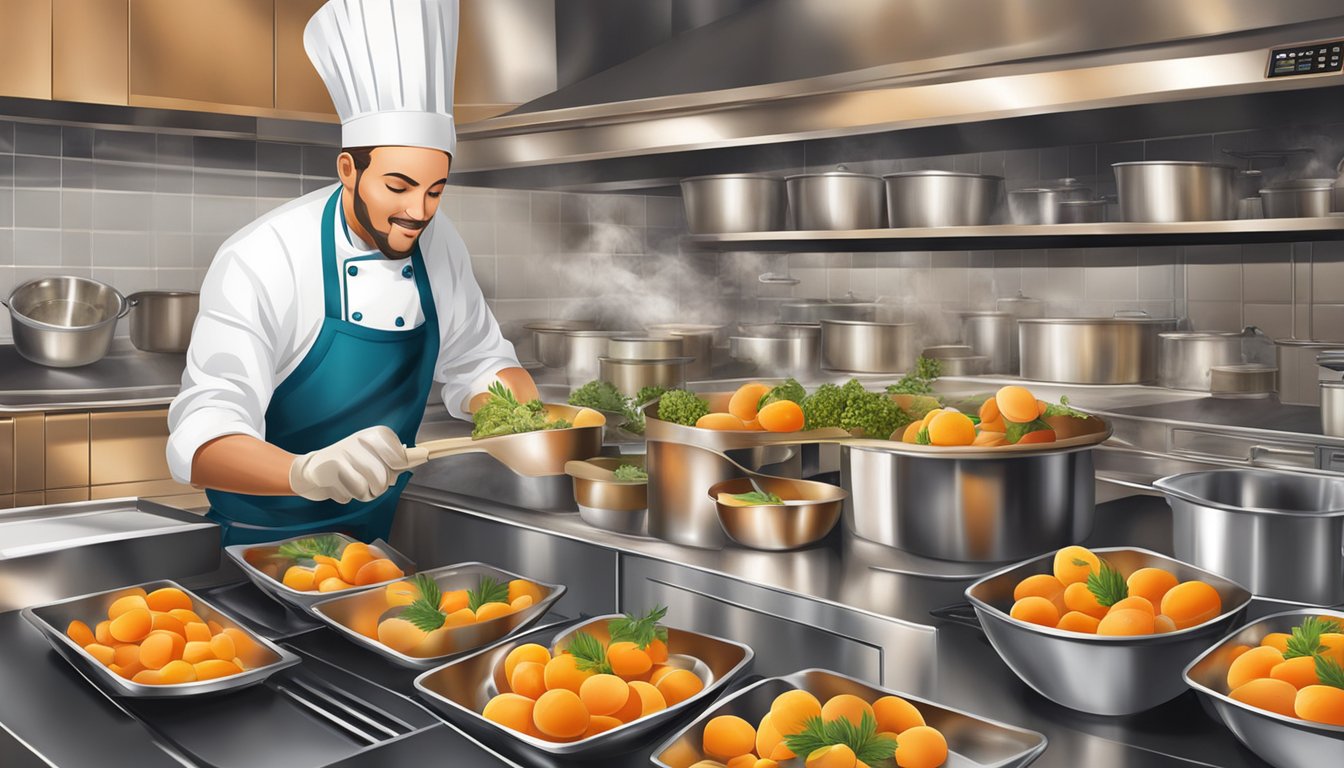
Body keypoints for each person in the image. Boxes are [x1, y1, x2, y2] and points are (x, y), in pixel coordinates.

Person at [166, 0, 537, 545]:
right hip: (256, 547)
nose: (420, 211)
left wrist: (529, 423)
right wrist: (304, 472)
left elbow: (479, 363)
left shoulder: (437, 240)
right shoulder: (263, 257)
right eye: (399, 186)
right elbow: (201, 435)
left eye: (436, 190)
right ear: (348, 169)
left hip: (377, 545)